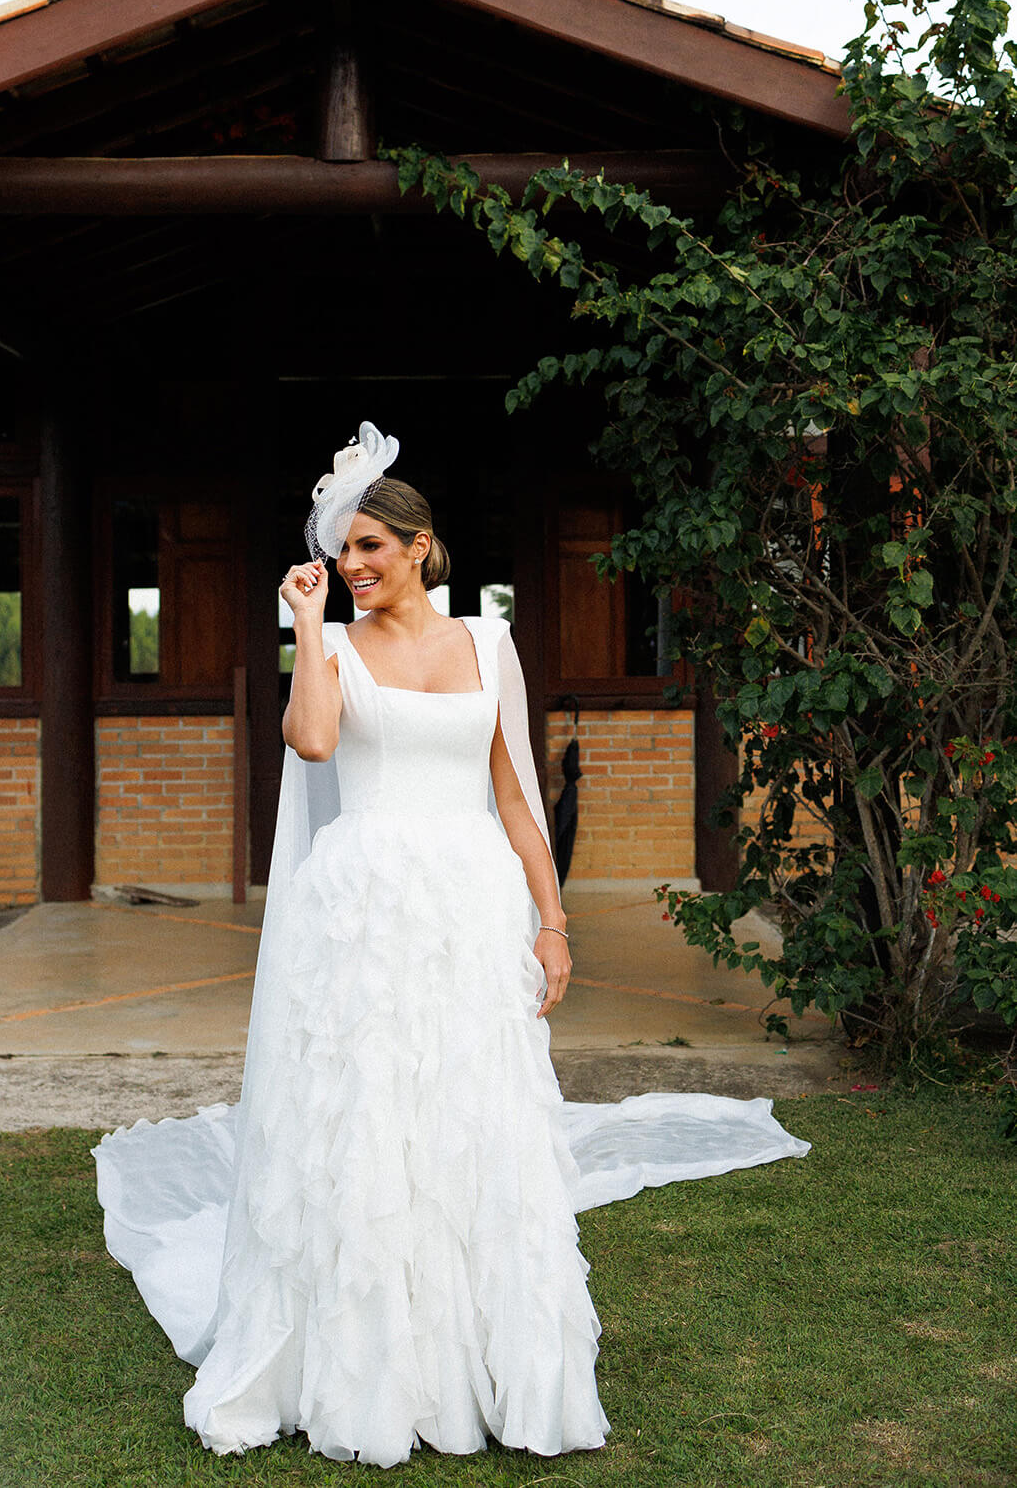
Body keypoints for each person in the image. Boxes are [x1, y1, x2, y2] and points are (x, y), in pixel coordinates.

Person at [92, 423, 810, 1468]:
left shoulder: (488, 641)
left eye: (371, 547)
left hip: (472, 901)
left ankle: (482, 1355)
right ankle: (366, 1363)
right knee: (368, 1117)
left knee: (474, 1114)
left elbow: (515, 796)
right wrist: (307, 623)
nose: (354, 565)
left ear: (420, 545)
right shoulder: (334, 646)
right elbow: (312, 742)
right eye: (342, 551)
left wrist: (551, 921)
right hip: (364, 905)